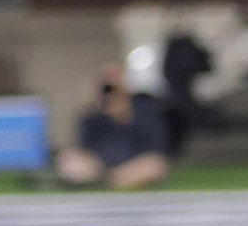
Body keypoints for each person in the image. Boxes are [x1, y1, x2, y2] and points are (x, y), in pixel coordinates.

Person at [52, 61, 171, 189]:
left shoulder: (143, 108)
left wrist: (124, 114)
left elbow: (157, 146)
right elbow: (83, 144)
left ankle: (119, 179)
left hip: (135, 162)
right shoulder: (93, 113)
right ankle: (113, 180)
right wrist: (95, 108)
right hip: (100, 165)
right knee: (69, 160)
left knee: (156, 164)